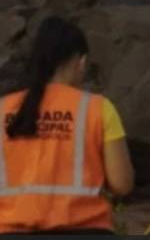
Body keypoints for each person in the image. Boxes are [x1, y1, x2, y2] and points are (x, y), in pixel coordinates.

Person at [0, 17, 134, 234]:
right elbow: (122, 183)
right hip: (85, 230)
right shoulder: (98, 108)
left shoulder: (3, 109)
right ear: (80, 62)